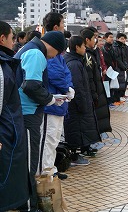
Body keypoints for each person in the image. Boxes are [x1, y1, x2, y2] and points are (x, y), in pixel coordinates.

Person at [14, 31, 66, 212]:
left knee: (26, 160)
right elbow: (31, 85)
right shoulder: (37, 53)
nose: (55, 57)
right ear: (54, 47)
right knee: (30, 162)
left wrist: (50, 97)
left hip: (23, 111)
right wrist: (50, 99)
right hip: (27, 114)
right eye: (58, 53)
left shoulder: (29, 49)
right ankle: (29, 205)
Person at [39, 12, 74, 180]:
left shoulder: (58, 51)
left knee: (53, 139)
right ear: (55, 27)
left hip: (59, 103)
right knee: (48, 139)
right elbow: (56, 75)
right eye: (62, 24)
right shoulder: (49, 51)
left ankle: (50, 168)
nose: (64, 27)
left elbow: (66, 73)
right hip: (51, 103)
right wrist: (67, 86)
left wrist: (68, 85)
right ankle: (45, 172)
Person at [0, 21, 29, 211]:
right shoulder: (1, 67)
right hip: (6, 133)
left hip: (10, 131)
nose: (13, 43)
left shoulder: (6, 63)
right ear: (2, 38)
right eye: (12, 38)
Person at [64, 36, 101, 165]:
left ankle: (82, 149)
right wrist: (82, 104)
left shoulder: (77, 60)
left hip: (80, 101)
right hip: (77, 104)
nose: (85, 48)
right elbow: (77, 86)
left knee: (81, 127)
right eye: (83, 46)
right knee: (76, 128)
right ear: (77, 47)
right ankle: (73, 155)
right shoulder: (74, 64)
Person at [81, 29, 111, 151]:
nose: (96, 40)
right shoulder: (87, 55)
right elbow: (89, 77)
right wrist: (93, 93)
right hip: (92, 91)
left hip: (97, 87)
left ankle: (93, 140)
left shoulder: (94, 52)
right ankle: (87, 144)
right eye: (94, 38)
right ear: (87, 40)